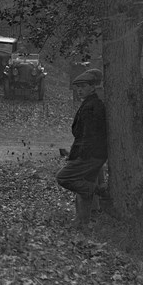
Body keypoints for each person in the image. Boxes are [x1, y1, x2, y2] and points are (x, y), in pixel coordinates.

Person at [56, 69, 109, 229]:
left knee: (63, 178)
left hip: (90, 155)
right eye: (78, 87)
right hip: (95, 154)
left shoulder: (91, 106)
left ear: (93, 87)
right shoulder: (90, 103)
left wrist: (79, 157)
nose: (80, 90)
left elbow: (89, 136)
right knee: (84, 185)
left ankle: (98, 191)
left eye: (84, 86)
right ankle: (82, 223)